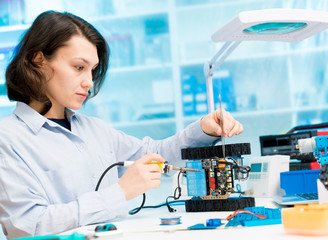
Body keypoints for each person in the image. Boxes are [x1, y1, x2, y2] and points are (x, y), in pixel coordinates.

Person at [0, 11, 244, 238]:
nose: (89, 82)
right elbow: (26, 226)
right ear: (38, 60)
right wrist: (120, 192)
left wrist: (203, 129)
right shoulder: (8, 139)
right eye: (78, 67)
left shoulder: (94, 129)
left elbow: (158, 156)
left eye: (93, 70)